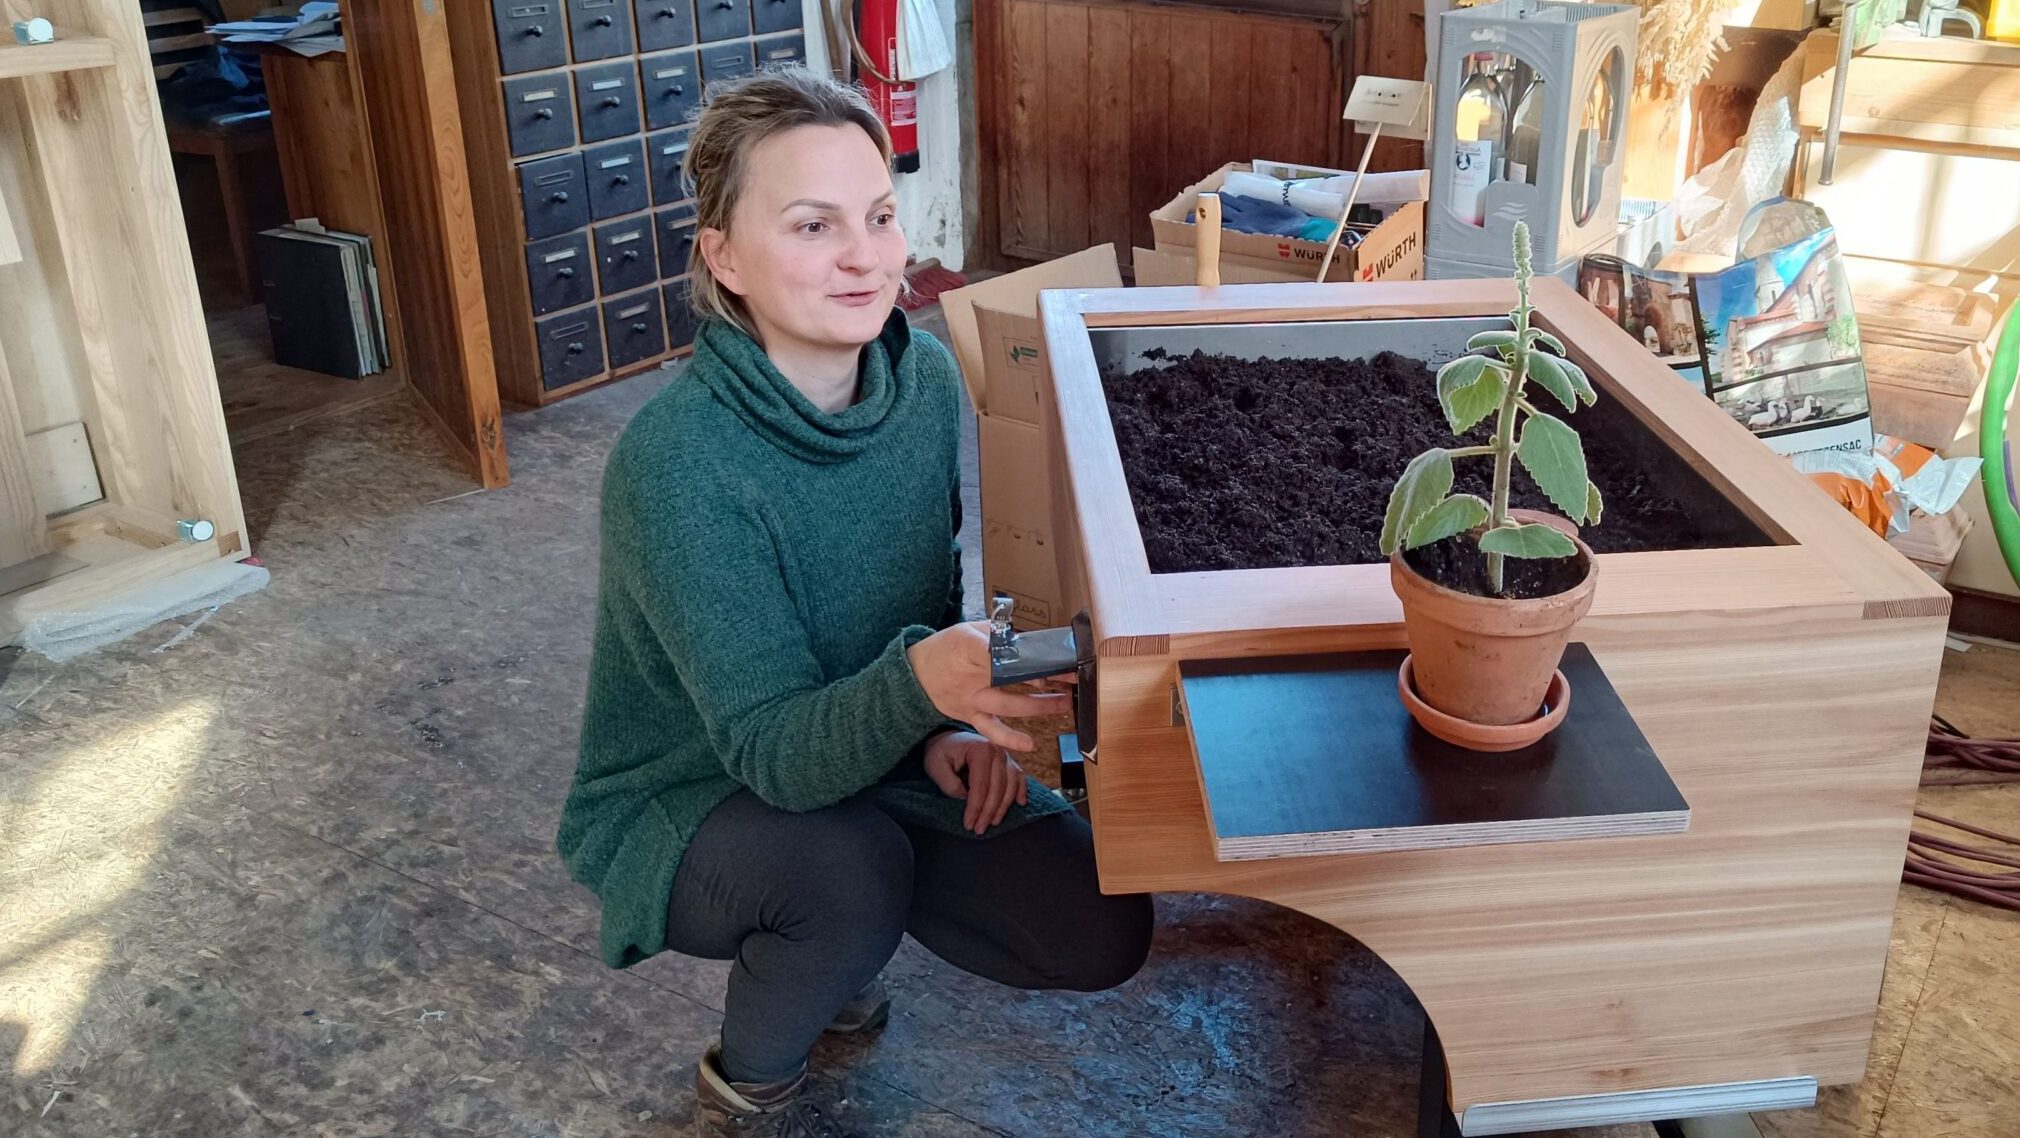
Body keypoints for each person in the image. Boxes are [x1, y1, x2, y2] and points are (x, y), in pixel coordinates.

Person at [556, 67, 1154, 1138]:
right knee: (845, 878)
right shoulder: (678, 466)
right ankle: (753, 1074)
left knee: (1096, 923)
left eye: (879, 216)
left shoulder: (922, 382)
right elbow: (772, 754)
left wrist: (948, 723)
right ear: (723, 257)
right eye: (812, 224)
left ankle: (835, 941)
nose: (866, 256)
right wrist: (924, 686)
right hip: (694, 789)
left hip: (867, 744)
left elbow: (930, 594)